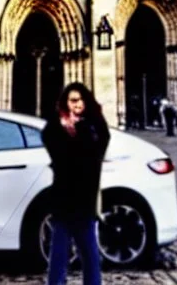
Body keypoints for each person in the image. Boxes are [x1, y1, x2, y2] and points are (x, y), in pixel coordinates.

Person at [41, 83, 110, 285]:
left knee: (89, 252)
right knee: (59, 252)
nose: (77, 104)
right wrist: (65, 130)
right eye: (72, 100)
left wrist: (79, 128)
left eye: (80, 100)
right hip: (63, 196)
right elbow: (56, 151)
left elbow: (96, 151)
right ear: (65, 102)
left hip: (84, 197)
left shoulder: (94, 125)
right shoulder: (56, 125)